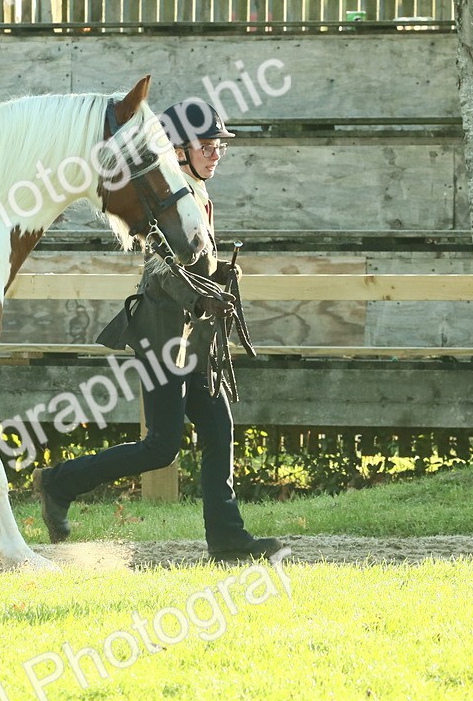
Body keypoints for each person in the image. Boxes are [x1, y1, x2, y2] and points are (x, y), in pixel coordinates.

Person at [32, 99, 284, 561]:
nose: (216, 153)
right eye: (207, 146)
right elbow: (160, 270)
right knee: (162, 447)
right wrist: (199, 295)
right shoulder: (169, 193)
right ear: (179, 151)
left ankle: (228, 540)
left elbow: (191, 264)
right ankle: (58, 482)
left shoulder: (196, 191)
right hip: (163, 335)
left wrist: (219, 278)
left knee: (218, 428)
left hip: (195, 334)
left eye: (218, 146)